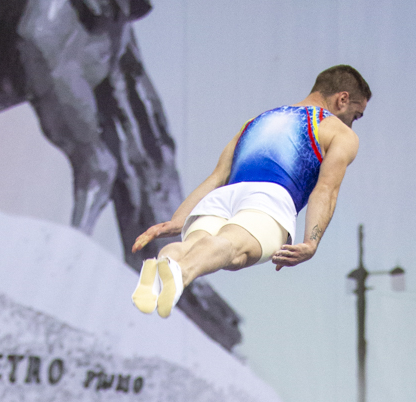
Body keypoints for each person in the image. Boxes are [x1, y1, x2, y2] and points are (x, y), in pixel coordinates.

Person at [130, 64, 371, 319]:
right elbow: (325, 190)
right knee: (232, 249)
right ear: (342, 99)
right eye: (356, 116)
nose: (352, 125)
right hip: (270, 199)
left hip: (222, 197)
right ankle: (181, 274)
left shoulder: (255, 121)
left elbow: (217, 177)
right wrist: (311, 242)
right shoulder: (338, 132)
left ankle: (164, 267)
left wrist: (178, 220)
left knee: (195, 245)